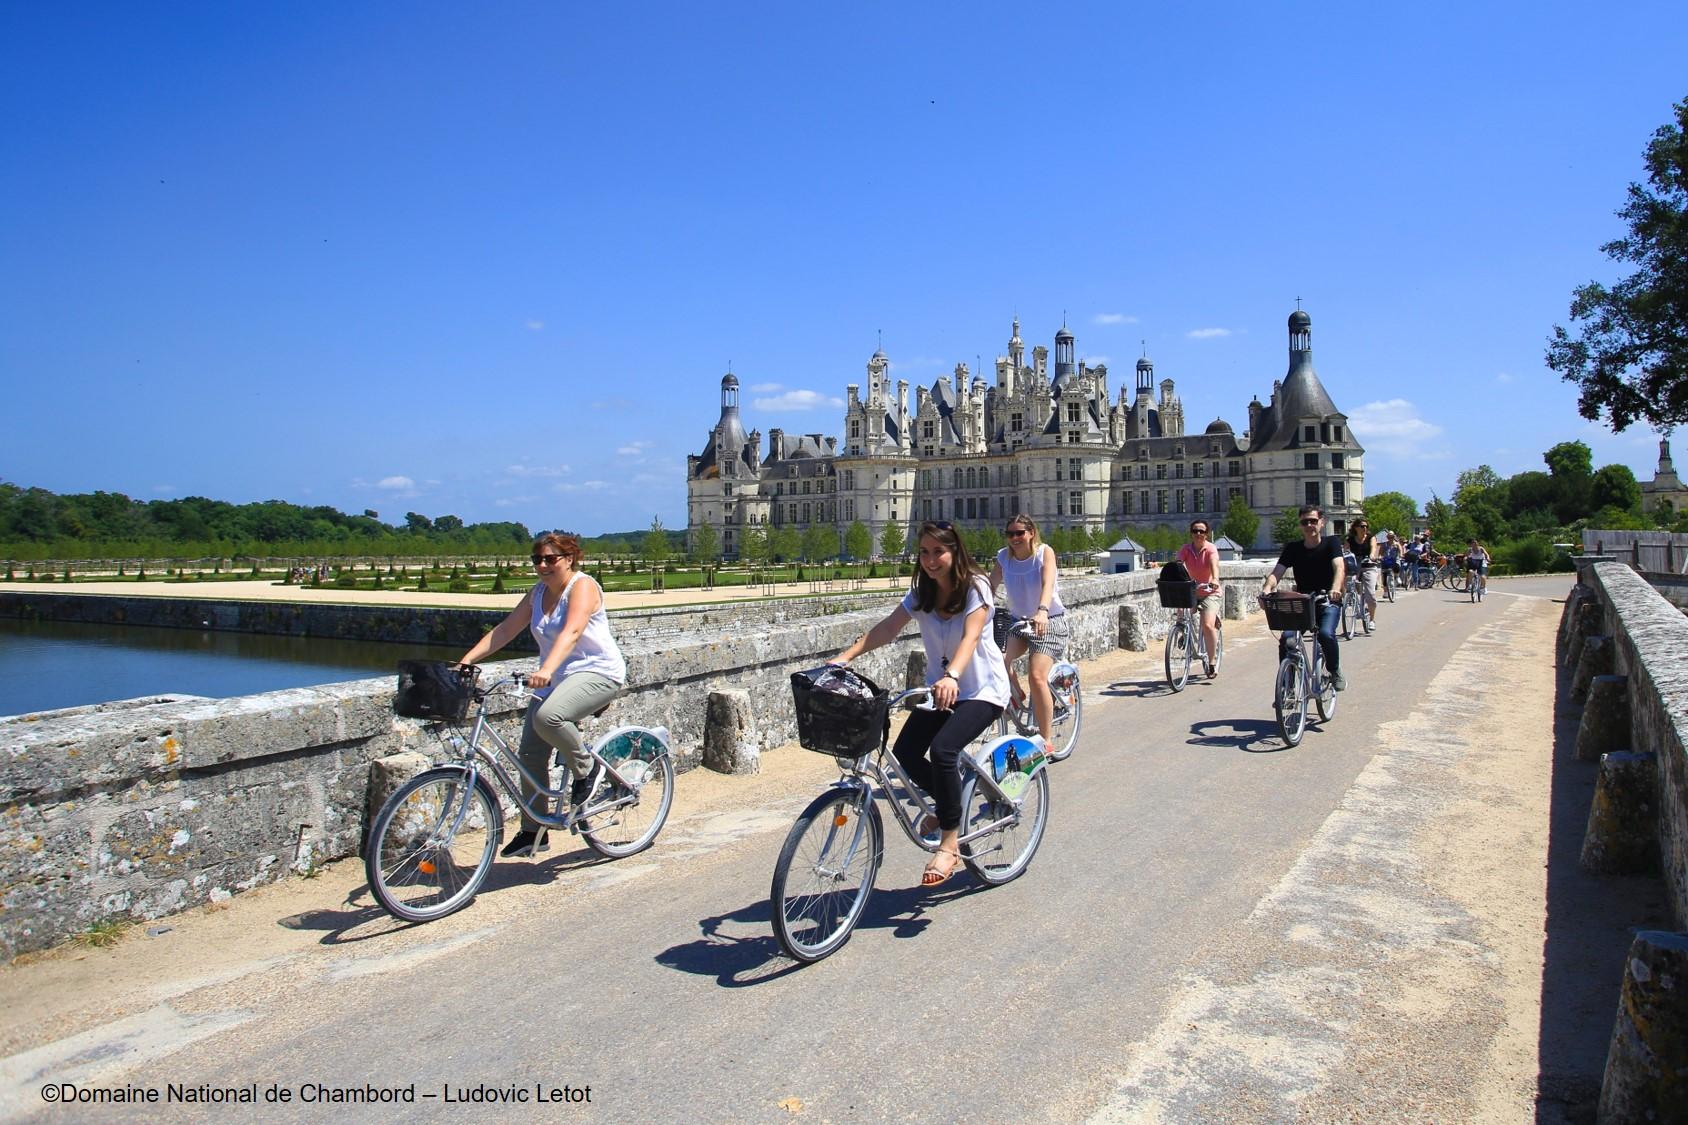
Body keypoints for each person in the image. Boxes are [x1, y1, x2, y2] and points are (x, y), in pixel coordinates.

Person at [833, 521, 1009, 887]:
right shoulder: (921, 593)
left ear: (955, 552)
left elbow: (971, 636)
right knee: (907, 753)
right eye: (924, 552)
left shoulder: (976, 588)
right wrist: (844, 657)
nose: (930, 560)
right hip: (940, 690)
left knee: (944, 750)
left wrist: (953, 676)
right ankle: (951, 804)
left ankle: (949, 844)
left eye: (938, 552)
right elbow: (887, 628)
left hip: (981, 690)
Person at [457, 532, 626, 858]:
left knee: (549, 717)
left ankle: (587, 769)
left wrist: (546, 669)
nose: (544, 565)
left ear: (570, 559)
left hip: (598, 672)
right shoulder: (537, 594)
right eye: (538, 559)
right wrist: (466, 660)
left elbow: (572, 631)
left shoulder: (584, 586)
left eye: (551, 559)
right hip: (557, 679)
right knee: (530, 756)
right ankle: (534, 830)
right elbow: (505, 630)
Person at [988, 513, 1068, 748]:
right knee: (999, 660)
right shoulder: (1003, 557)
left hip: (1049, 621)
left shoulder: (1044, 553)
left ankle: (1046, 740)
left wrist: (1042, 610)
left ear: (1031, 533)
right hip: (1019, 622)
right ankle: (1018, 694)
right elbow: (989, 586)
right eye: (1010, 534)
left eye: (1019, 533)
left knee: (1037, 676)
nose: (1014, 538)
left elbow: (1048, 583)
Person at [1260, 505, 1348, 691]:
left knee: (1325, 634)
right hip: (1303, 603)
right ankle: (1288, 687)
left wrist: (1335, 589)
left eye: (1313, 521)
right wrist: (1267, 589)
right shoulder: (1293, 548)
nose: (1309, 525)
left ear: (1322, 523)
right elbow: (1277, 572)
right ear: (1300, 525)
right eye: (1304, 522)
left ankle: (1334, 670)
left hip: (1327, 600)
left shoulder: (1331, 543)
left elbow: (1339, 567)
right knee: (1287, 639)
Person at [1174, 518, 1223, 677]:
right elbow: (1178, 564)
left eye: (1202, 531)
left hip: (1210, 592)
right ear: (1191, 533)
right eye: (1195, 531)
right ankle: (1183, 632)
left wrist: (1215, 580)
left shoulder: (1211, 549)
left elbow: (1214, 564)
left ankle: (1212, 662)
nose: (1198, 534)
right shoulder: (1186, 549)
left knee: (1207, 626)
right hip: (1193, 590)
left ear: (1206, 534)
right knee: (1181, 610)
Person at [1345, 518, 1381, 623]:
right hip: (1355, 567)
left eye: (1366, 526)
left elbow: (1373, 548)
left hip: (1369, 565)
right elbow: (1345, 550)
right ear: (1356, 528)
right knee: (1350, 586)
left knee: (1370, 595)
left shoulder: (1371, 538)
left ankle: (1372, 620)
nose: (1365, 528)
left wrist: (1372, 555)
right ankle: (1354, 602)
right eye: (1362, 526)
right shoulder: (1350, 540)